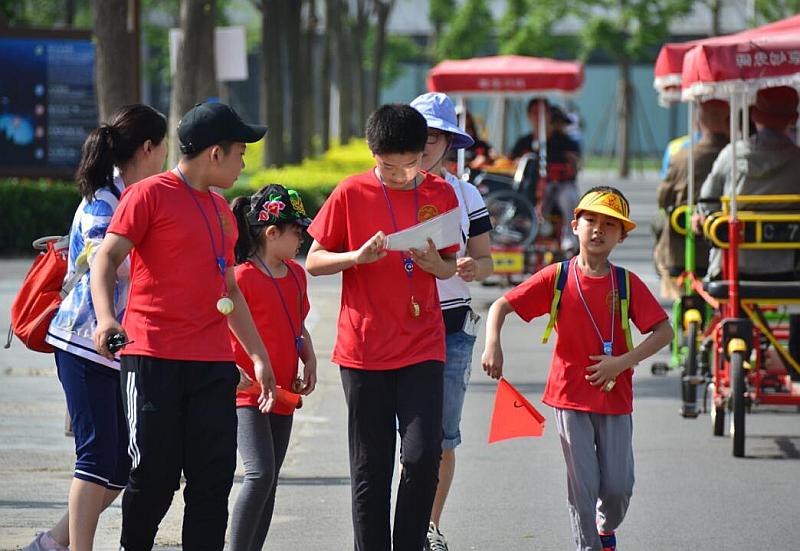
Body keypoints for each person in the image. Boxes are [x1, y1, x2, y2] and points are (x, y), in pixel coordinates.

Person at [90, 102, 276, 551]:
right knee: (154, 478)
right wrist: (107, 319)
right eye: (240, 151)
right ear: (215, 153)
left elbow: (228, 289)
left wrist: (257, 354)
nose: (244, 160)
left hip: (212, 365)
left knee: (212, 485)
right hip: (152, 358)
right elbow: (105, 259)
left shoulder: (223, 212)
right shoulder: (148, 195)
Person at [482, 186, 673, 551]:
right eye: (591, 221)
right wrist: (493, 343)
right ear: (575, 226)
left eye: (609, 224)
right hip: (569, 397)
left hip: (615, 396)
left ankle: (605, 527)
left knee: (617, 487)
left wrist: (621, 362)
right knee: (582, 485)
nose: (598, 230)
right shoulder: (557, 277)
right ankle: (587, 545)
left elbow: (665, 331)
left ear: (621, 235)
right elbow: (501, 306)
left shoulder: (626, 284)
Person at [305, 104, 459, 551]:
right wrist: (354, 257)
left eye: (409, 165)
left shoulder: (441, 194)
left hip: (423, 344)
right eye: (388, 166)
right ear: (373, 154)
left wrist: (437, 264)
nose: (398, 175)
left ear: (423, 155)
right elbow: (314, 260)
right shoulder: (350, 193)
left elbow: (450, 264)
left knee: (423, 455)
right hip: (365, 349)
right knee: (371, 467)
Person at [24, 105, 167, 551]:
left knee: (122, 464)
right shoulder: (103, 200)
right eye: (164, 147)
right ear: (148, 148)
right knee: (95, 458)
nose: (165, 156)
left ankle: (52, 542)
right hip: (85, 343)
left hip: (115, 348)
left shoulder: (129, 194)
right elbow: (114, 262)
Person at [410, 92, 494, 551]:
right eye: (419, 134)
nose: (426, 144)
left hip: (451, 326)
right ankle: (401, 525)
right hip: (399, 326)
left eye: (435, 136)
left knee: (443, 438)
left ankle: (429, 525)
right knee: (402, 439)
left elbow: (486, 262)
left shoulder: (466, 194)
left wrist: (471, 268)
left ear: (449, 143)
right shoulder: (386, 190)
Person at [228, 184, 318, 550]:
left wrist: (309, 357)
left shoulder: (296, 275)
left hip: (282, 392)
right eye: (296, 232)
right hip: (247, 392)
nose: (301, 239)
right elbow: (223, 327)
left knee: (271, 478)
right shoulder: (242, 278)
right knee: (259, 473)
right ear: (272, 232)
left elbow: (298, 325)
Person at [696, 86, 800, 281]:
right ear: (794, 118)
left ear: (753, 114)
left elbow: (706, 205)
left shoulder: (731, 156)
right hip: (792, 268)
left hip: (734, 267)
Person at [654, 99, 729, 300]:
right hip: (729, 247)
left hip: (684, 249)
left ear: (699, 122)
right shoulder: (738, 157)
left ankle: (666, 277)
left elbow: (663, 198)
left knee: (659, 222)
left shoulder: (681, 157)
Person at [509, 98, 582, 250]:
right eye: (535, 113)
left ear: (550, 115)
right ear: (529, 116)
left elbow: (575, 162)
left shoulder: (564, 142)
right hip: (533, 188)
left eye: (543, 113)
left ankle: (570, 238)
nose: (539, 117)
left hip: (561, 185)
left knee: (568, 196)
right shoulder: (524, 142)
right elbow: (511, 162)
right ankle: (527, 232)